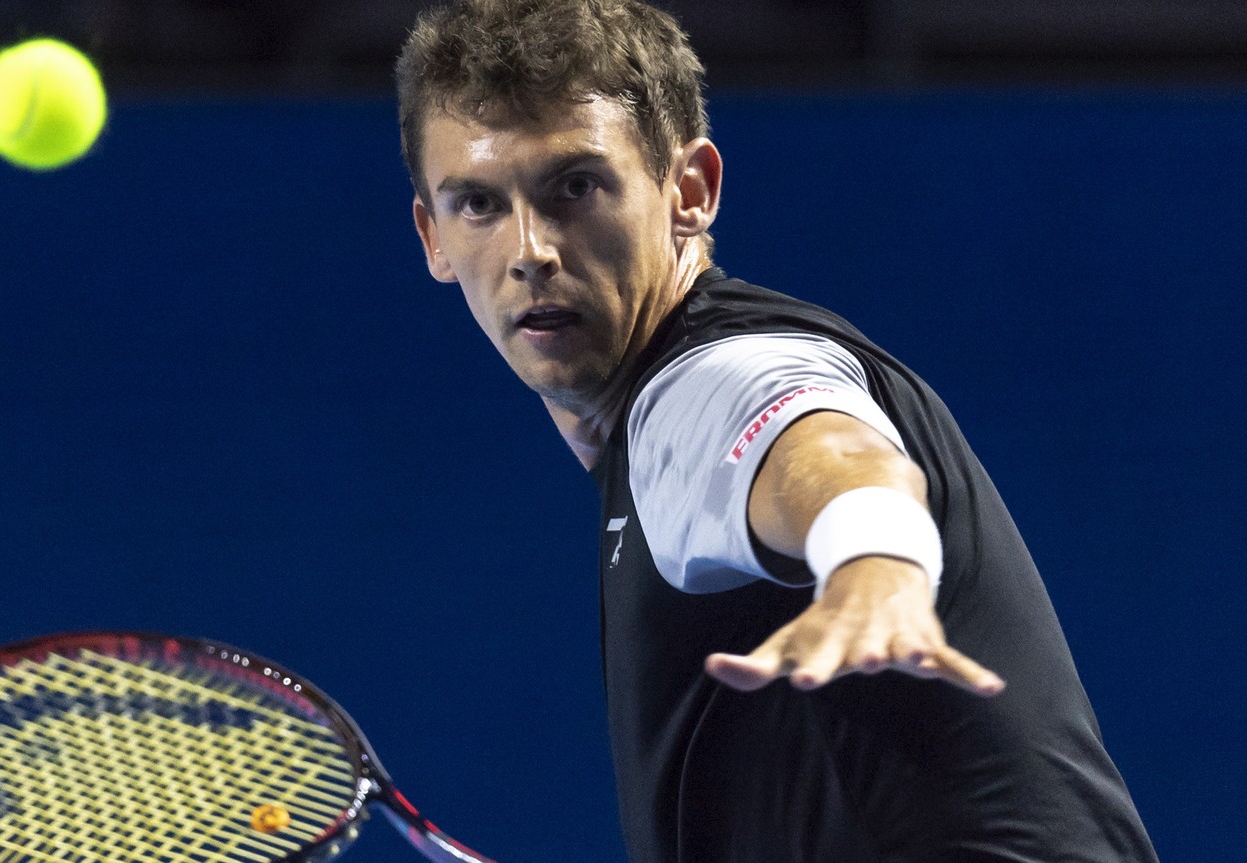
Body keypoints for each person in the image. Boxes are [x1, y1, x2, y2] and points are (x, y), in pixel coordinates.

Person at [395, 1, 1157, 861]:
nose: (531, 248)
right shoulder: (650, 432)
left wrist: (876, 559)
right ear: (433, 237)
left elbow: (829, 452)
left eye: (576, 186)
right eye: (480, 204)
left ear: (688, 192)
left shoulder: (704, 382)